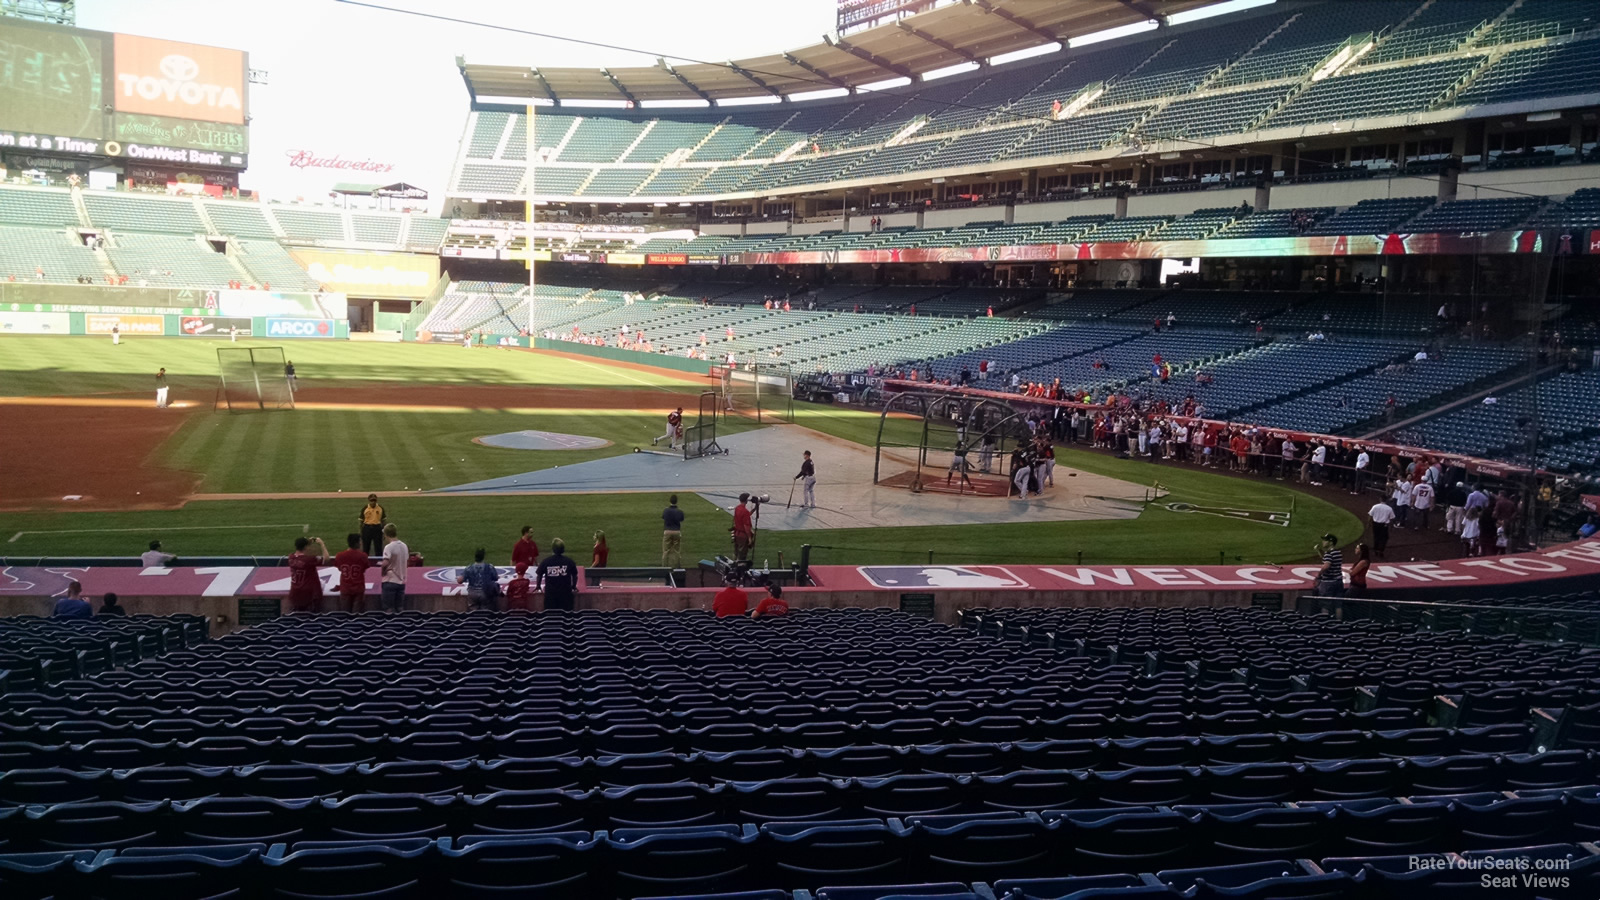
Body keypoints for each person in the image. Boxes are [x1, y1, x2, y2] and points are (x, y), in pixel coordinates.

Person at [287, 536, 330, 613]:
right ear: (305, 547)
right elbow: (326, 559)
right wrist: (322, 544)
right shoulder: (309, 559)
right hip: (308, 594)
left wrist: (306, 543)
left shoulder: (291, 557)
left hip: (295, 592)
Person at [535, 538, 579, 611]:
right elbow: (575, 575)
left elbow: (539, 574)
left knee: (551, 616)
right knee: (567, 616)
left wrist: (538, 586)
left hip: (550, 595)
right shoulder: (569, 561)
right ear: (563, 549)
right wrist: (573, 586)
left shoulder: (546, 561)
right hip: (566, 595)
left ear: (553, 549)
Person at [334, 533, 371, 613]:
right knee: (356, 616)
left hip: (345, 588)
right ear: (357, 543)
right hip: (358, 588)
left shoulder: (340, 555)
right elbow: (365, 568)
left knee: (345, 614)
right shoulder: (363, 556)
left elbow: (339, 567)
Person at [380, 523, 408, 612]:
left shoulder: (389, 547)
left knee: (389, 609)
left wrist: (383, 571)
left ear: (386, 534)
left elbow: (385, 562)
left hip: (390, 580)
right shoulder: (404, 546)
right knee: (400, 608)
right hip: (401, 580)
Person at [662, 495, 685, 568]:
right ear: (676, 501)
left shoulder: (666, 510)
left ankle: (664, 567)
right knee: (676, 551)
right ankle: (677, 567)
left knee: (666, 551)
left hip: (667, 531)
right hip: (676, 531)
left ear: (670, 501)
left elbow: (663, 517)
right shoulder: (679, 511)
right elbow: (681, 519)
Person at [732, 493, 755, 561]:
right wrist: (749, 538)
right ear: (746, 500)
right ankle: (739, 568)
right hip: (743, 535)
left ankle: (734, 565)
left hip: (737, 534)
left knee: (736, 552)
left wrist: (754, 509)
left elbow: (746, 515)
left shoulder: (737, 508)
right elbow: (746, 526)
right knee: (742, 554)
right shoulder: (745, 511)